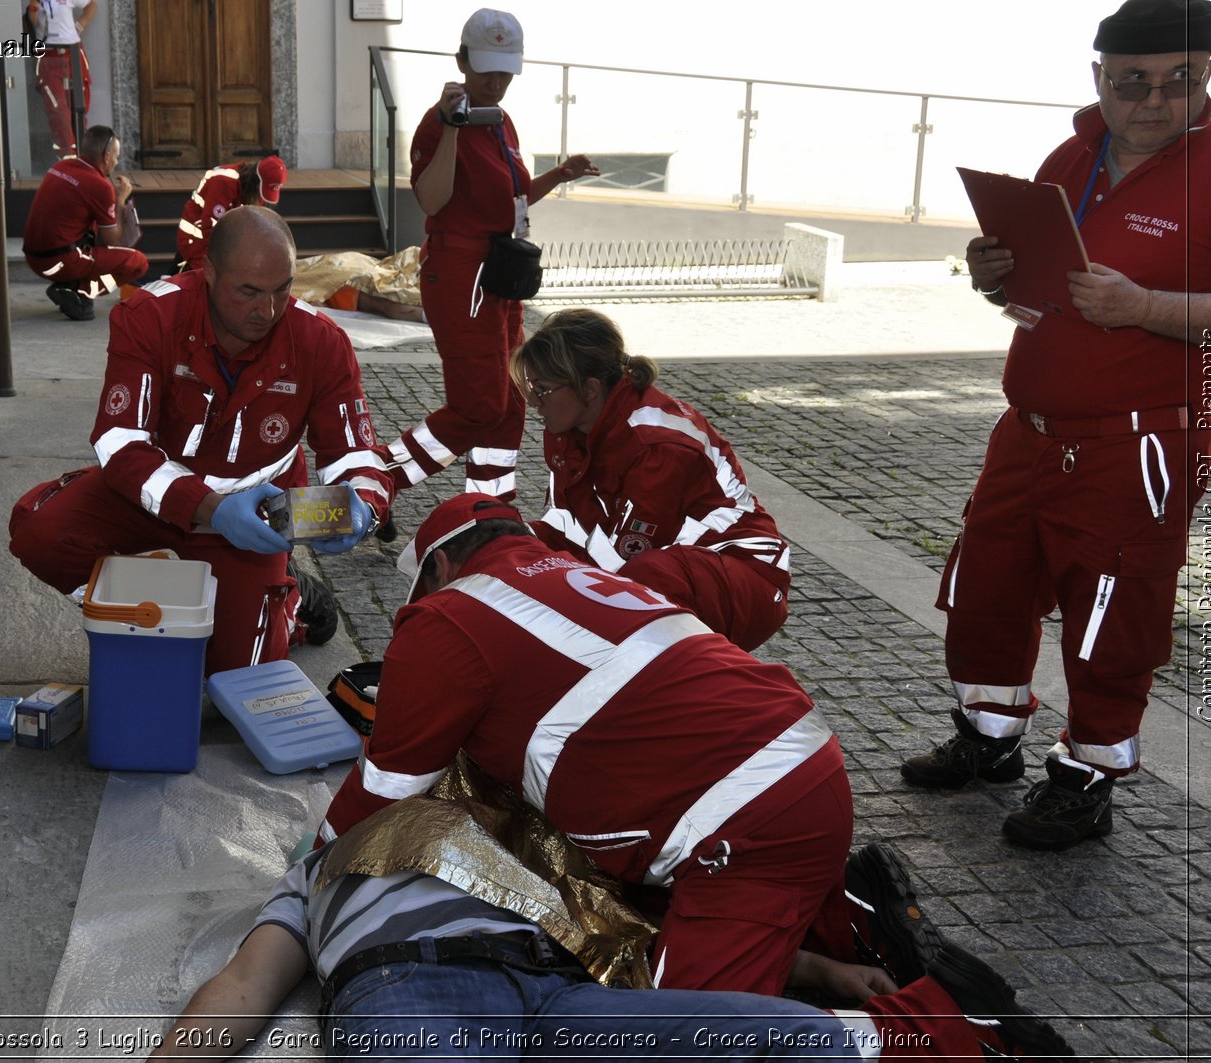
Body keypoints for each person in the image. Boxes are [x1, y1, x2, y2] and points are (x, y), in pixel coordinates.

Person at [318, 493, 867, 995]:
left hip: (746, 819)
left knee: (679, 1039)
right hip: (796, 763)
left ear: (438, 569)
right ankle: (807, 969)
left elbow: (385, 787)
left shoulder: (448, 614)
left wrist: (314, 868)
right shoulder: (574, 576)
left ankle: (909, 1033)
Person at [901, 0, 1211, 851]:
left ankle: (1086, 778)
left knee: (1111, 615)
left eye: (1180, 81)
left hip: (1137, 442)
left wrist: (1148, 307)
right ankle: (990, 736)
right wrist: (990, 273)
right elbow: (1030, 293)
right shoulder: (1071, 155)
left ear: (1209, 78)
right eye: (1132, 83)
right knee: (986, 588)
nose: (1154, 101)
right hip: (1029, 431)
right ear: (1099, 80)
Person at [150, 800, 1074, 1062]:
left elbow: (635, 931)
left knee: (790, 1037)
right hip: (415, 986)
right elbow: (243, 987)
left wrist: (824, 970)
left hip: (561, 996)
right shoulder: (324, 862)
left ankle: (941, 1035)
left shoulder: (535, 836)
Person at [8, 207, 391, 674]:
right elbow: (119, 442)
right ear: (208, 272)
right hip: (150, 502)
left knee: (234, 681)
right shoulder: (149, 316)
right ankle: (169, 604)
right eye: (248, 292)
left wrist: (363, 507)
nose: (267, 311)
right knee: (40, 533)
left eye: (282, 289)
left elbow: (355, 452)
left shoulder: (321, 341)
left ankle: (288, 599)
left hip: (256, 523)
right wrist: (207, 507)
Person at [377, 9, 598, 537]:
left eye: (505, 72)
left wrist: (560, 174)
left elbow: (513, 200)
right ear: (462, 61)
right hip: (460, 276)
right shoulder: (440, 121)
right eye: (486, 71)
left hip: (497, 276)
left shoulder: (501, 120)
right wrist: (451, 127)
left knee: (508, 404)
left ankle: (488, 515)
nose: (496, 83)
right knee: (478, 406)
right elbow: (431, 199)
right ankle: (374, 479)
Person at [509, 308, 791, 651]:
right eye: (530, 388)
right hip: (679, 564)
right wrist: (514, 545)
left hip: (745, 577)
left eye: (543, 389)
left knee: (636, 584)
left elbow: (619, 563)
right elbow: (569, 527)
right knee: (500, 535)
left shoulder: (655, 446)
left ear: (590, 388)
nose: (534, 402)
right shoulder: (573, 428)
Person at [20, 125, 147, 322]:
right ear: (105, 156)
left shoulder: (60, 167)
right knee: (137, 263)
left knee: (95, 223)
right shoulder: (100, 186)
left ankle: (70, 285)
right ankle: (81, 292)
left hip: (34, 258)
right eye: (116, 156)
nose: (116, 163)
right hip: (60, 261)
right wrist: (119, 201)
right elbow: (112, 240)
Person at [175, 156, 288, 273]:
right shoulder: (224, 181)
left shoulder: (251, 188)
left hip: (223, 239)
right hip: (197, 241)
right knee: (217, 280)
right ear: (255, 181)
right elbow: (211, 227)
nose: (260, 199)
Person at [26, 0, 95, 156]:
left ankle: (82, 156)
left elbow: (91, 6)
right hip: (50, 55)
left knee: (79, 106)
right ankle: (67, 156)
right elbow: (34, 21)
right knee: (57, 108)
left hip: (73, 53)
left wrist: (79, 26)